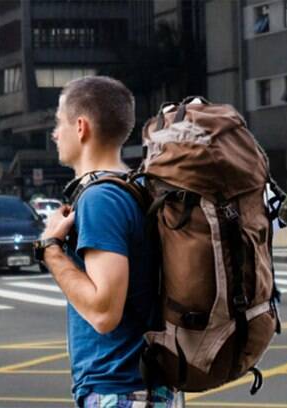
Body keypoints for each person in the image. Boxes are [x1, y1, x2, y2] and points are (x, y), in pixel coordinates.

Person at [38, 76, 174, 407]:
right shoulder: (136, 186)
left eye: (59, 123)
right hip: (143, 389)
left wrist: (50, 249)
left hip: (120, 391)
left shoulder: (102, 199)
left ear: (81, 127)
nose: (56, 134)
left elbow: (104, 312)